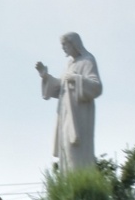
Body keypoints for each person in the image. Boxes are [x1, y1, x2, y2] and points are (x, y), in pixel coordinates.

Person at [35, 32, 103, 173]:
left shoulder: (87, 60)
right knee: (65, 149)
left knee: (76, 151)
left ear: (74, 44)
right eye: (62, 45)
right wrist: (45, 76)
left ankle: (81, 180)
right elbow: (60, 87)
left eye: (65, 44)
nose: (63, 48)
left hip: (79, 116)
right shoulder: (70, 65)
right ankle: (68, 182)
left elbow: (96, 87)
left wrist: (76, 79)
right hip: (65, 114)